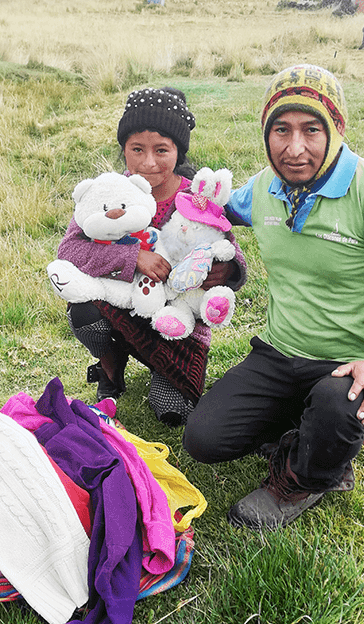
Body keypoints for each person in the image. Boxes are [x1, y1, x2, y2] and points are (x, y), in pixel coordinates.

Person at [184, 64, 364, 530]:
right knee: (204, 440)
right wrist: (156, 184)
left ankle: (308, 476)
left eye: (311, 129)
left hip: (351, 364)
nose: (294, 147)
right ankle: (329, 429)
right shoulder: (263, 188)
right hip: (280, 352)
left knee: (334, 405)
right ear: (266, 133)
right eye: (280, 130)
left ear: (337, 130)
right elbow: (212, 207)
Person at [57, 87, 247, 426]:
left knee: (172, 413)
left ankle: (164, 372)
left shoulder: (196, 199)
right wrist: (134, 258)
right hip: (121, 305)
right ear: (123, 150)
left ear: (179, 150)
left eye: (162, 150)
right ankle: (110, 369)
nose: (148, 162)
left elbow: (228, 247)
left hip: (178, 324)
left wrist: (228, 271)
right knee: (83, 310)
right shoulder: (110, 191)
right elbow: (69, 250)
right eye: (136, 149)